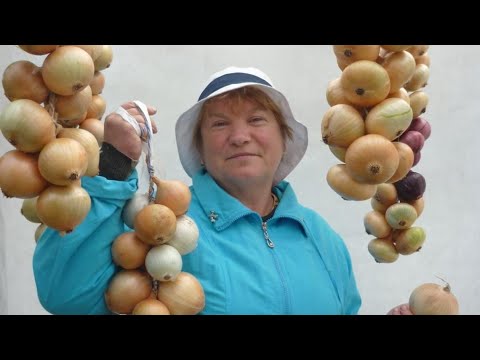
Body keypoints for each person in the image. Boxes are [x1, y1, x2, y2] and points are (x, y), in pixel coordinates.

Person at [33, 66, 409, 315]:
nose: (240, 136)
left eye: (257, 120)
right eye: (219, 124)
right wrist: (114, 164)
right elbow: (66, 295)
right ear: (200, 147)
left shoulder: (320, 237)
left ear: (284, 140)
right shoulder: (161, 226)